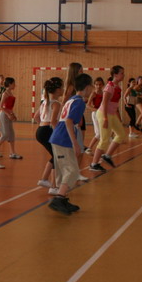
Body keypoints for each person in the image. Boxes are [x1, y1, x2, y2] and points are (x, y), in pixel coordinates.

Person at [48, 74, 92, 215]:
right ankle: (59, 198)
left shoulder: (72, 99)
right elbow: (68, 121)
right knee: (72, 170)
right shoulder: (79, 102)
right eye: (91, 86)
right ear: (87, 87)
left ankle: (62, 198)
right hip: (63, 139)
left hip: (58, 137)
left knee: (65, 170)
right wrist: (75, 143)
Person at [90, 65, 129, 173]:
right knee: (104, 140)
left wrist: (117, 118)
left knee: (121, 134)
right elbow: (104, 104)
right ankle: (94, 164)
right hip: (104, 114)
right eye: (121, 73)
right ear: (115, 75)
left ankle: (107, 156)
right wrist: (105, 119)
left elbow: (114, 105)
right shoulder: (109, 87)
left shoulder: (117, 87)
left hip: (112, 114)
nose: (123, 75)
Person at [35, 77, 64, 191]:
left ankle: (44, 179)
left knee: (55, 156)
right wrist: (58, 134)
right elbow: (53, 121)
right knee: (57, 157)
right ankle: (54, 186)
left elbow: (36, 116)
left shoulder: (45, 102)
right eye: (62, 87)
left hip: (41, 131)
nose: (63, 89)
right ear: (57, 90)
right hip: (48, 130)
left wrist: (41, 126)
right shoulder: (56, 103)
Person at [0, 77, 23, 160]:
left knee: (11, 134)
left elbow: (9, 107)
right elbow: (0, 106)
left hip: (8, 114)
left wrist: (12, 114)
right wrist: (8, 114)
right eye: (13, 83)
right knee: (5, 134)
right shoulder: (5, 93)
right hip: (3, 115)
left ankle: (12, 153)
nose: (15, 85)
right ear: (9, 84)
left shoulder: (10, 93)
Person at [85, 77, 105, 154]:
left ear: (103, 85)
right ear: (94, 85)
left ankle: (101, 150)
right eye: (96, 84)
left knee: (103, 133)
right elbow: (88, 105)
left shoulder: (104, 93)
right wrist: (97, 110)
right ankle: (89, 148)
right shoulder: (93, 94)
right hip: (96, 113)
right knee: (98, 134)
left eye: (100, 84)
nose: (98, 86)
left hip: (103, 113)